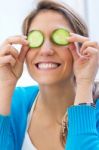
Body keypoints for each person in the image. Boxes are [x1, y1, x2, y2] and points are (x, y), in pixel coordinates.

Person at [0, 0, 99, 150]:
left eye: (59, 38)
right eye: (35, 39)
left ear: (82, 47)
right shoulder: (13, 102)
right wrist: (4, 85)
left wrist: (85, 82)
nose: (46, 50)